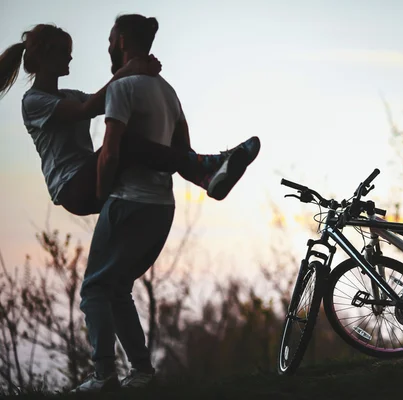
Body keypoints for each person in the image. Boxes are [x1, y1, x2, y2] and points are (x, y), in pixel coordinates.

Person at [72, 14, 217, 392]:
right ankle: (141, 372)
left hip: (127, 202)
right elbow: (182, 153)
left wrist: (103, 196)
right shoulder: (168, 91)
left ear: (120, 40)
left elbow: (110, 152)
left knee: (94, 290)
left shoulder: (124, 88)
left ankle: (103, 374)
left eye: (109, 39)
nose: (107, 46)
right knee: (118, 289)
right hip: (162, 207)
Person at [0, 23, 261, 216]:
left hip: (87, 176)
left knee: (134, 133)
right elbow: (87, 109)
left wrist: (141, 78)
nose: (70, 57)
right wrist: (128, 71)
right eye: (65, 52)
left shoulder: (70, 95)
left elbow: (111, 100)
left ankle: (205, 176)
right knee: (124, 143)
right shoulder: (33, 102)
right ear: (47, 56)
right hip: (72, 188)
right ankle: (205, 164)